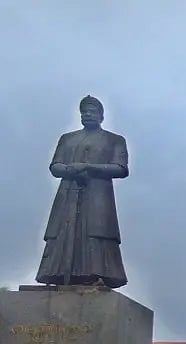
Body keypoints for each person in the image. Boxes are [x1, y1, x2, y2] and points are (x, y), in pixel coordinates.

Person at [35, 95, 129, 288]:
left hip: (98, 193)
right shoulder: (67, 139)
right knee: (62, 229)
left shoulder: (114, 140)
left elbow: (121, 168)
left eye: (92, 111)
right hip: (68, 192)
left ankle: (97, 272)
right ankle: (57, 273)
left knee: (97, 230)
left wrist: (89, 167)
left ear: (101, 116)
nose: (87, 114)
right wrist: (69, 170)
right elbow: (55, 166)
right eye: (84, 112)